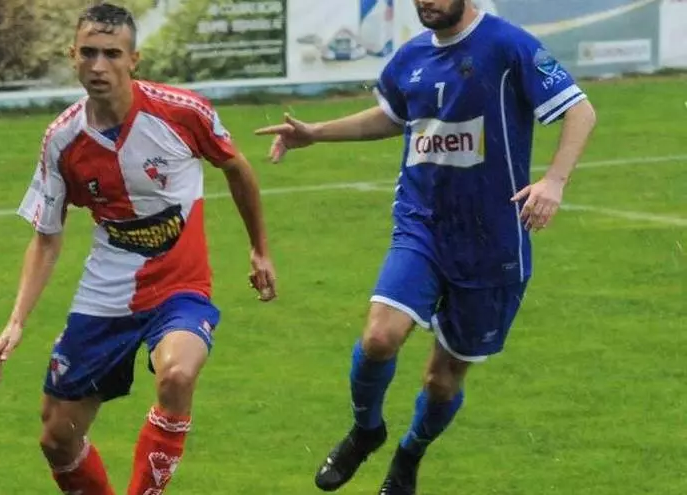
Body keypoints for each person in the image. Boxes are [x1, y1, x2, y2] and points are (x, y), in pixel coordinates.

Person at [255, 1, 596, 493]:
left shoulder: (508, 45)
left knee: (441, 381)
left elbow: (580, 110)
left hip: (492, 241)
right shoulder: (411, 56)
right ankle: (366, 430)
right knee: (379, 337)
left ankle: (409, 454)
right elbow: (394, 116)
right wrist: (316, 133)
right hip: (422, 226)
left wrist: (554, 181)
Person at [0, 3, 277, 495]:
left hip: (181, 287)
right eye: (89, 53)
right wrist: (16, 320)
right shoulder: (61, 140)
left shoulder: (182, 112)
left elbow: (236, 167)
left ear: (134, 59)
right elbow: (47, 235)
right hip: (107, 294)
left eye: (112, 54)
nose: (99, 66)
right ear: (72, 55)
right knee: (57, 437)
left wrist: (259, 249)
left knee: (177, 374)